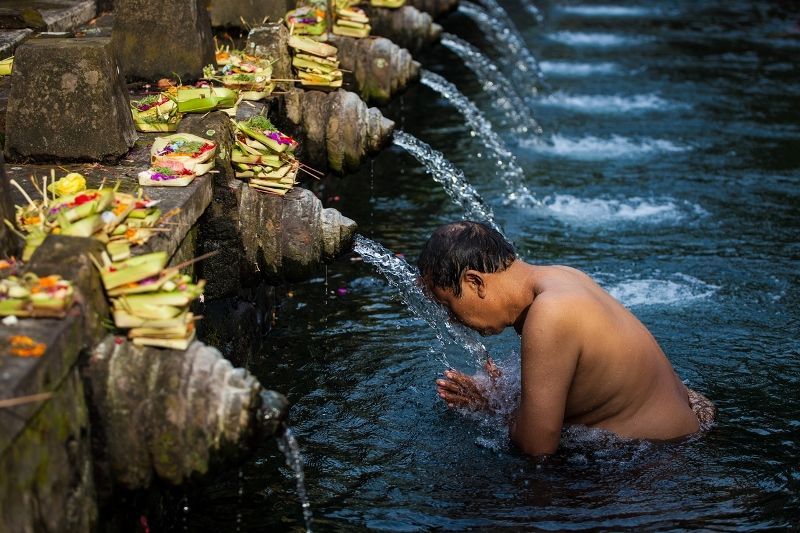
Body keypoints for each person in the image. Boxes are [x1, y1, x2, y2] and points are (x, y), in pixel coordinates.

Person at [418, 221, 715, 458]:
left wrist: (488, 407)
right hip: (690, 426)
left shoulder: (550, 313)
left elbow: (537, 447)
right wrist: (502, 396)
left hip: (658, 464)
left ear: (474, 282)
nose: (451, 319)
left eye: (448, 304)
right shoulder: (562, 277)